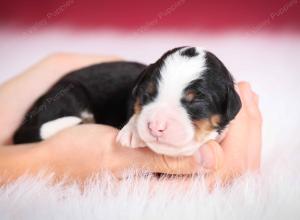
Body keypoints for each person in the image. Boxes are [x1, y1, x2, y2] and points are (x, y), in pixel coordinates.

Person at [0, 53, 262, 186]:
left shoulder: (228, 106)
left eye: (193, 104)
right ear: (139, 92)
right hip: (77, 96)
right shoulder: (133, 102)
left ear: (229, 107)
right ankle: (42, 129)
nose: (156, 124)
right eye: (149, 98)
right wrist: (38, 160)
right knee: (61, 105)